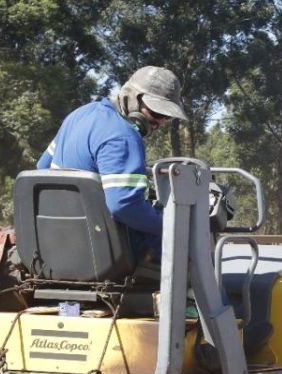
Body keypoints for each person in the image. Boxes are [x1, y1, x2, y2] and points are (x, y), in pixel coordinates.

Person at [37, 66, 189, 263]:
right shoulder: (123, 136)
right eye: (157, 113)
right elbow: (123, 205)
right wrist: (169, 226)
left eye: (167, 116)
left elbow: (42, 168)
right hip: (102, 247)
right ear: (132, 98)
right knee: (188, 236)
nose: (161, 122)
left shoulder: (79, 115)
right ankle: (212, 294)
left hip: (59, 239)